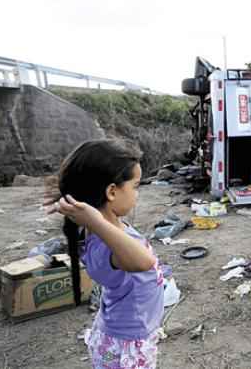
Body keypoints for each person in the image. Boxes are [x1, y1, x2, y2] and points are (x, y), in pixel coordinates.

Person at [46, 140, 164, 369]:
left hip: (126, 332)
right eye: (135, 186)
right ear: (111, 191)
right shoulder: (105, 244)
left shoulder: (110, 228)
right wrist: (95, 221)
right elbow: (145, 262)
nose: (137, 194)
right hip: (126, 344)